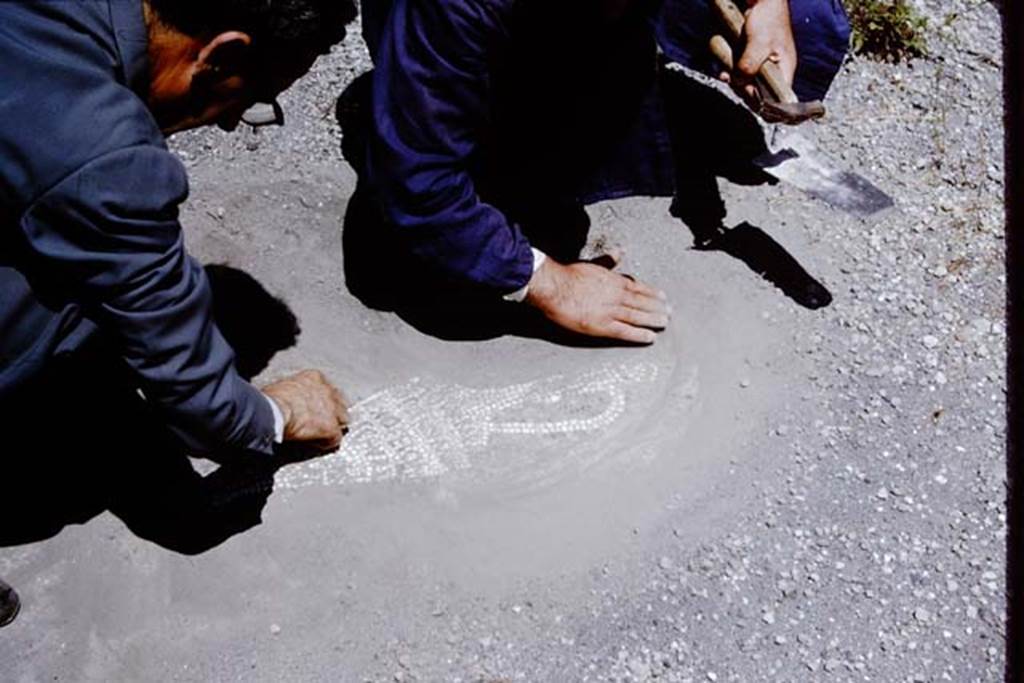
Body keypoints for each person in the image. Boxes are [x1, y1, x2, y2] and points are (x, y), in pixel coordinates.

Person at [0, 0, 356, 625]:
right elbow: (199, 404)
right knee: (81, 311)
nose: (223, 128)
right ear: (221, 56)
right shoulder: (102, 154)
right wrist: (272, 417)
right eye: (249, 102)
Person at [349, 0, 850, 344]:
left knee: (813, 25)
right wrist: (546, 281)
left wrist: (769, 7)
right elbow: (421, 186)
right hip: (461, 29)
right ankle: (435, 97)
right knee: (497, 204)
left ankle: (624, 74)